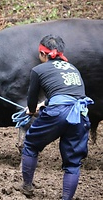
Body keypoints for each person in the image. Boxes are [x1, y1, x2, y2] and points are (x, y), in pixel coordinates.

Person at [18, 35, 94, 199]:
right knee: (73, 162)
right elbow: (70, 92)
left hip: (57, 113)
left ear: (42, 54)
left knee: (31, 144)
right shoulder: (73, 68)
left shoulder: (38, 70)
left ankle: (27, 187)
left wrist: (32, 109)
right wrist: (44, 104)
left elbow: (31, 99)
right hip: (80, 114)